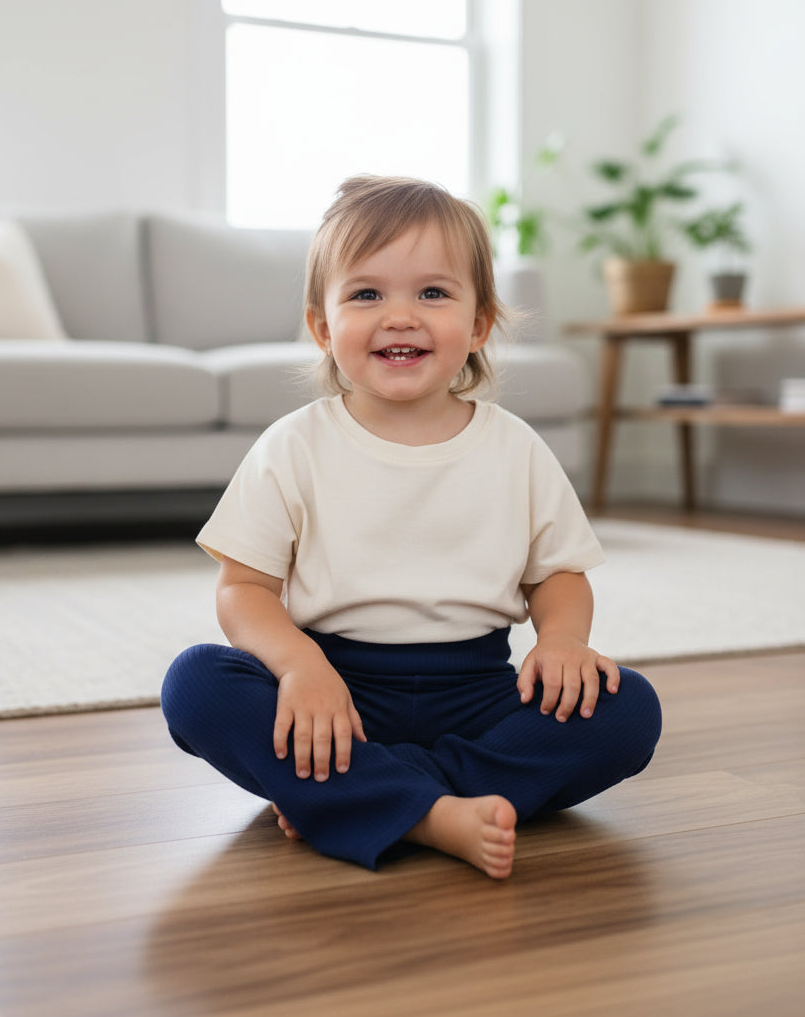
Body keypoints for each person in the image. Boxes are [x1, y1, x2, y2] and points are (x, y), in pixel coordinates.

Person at [161, 175, 662, 879]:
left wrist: (562, 642)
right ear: (322, 326)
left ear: (480, 323)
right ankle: (434, 808)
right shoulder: (294, 445)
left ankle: (366, 796)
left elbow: (558, 573)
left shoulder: (514, 446)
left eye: (433, 293)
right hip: (337, 697)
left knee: (628, 709)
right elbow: (243, 588)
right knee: (196, 684)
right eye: (367, 294)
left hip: (482, 694)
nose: (400, 316)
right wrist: (302, 669)